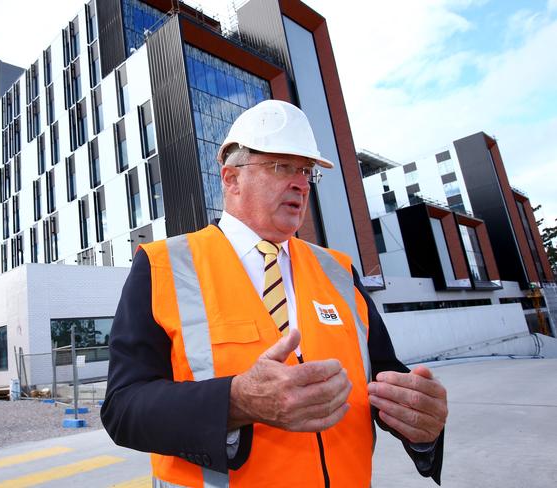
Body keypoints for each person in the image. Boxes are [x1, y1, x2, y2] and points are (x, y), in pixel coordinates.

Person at [101, 100, 448, 487]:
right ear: (231, 178)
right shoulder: (165, 265)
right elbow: (123, 407)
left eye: (307, 171)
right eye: (282, 166)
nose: (300, 182)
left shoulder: (338, 270)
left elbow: (386, 379)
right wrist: (236, 401)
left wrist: (420, 422)